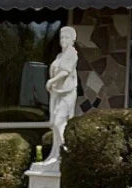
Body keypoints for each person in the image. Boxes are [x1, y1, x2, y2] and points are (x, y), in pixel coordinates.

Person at [42, 26, 78, 166]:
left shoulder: (72, 53)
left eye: (66, 37)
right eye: (61, 37)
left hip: (67, 93)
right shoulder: (59, 56)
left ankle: (65, 150)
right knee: (54, 123)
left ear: (72, 39)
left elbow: (65, 72)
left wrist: (51, 81)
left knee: (59, 121)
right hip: (56, 93)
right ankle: (55, 153)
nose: (63, 40)